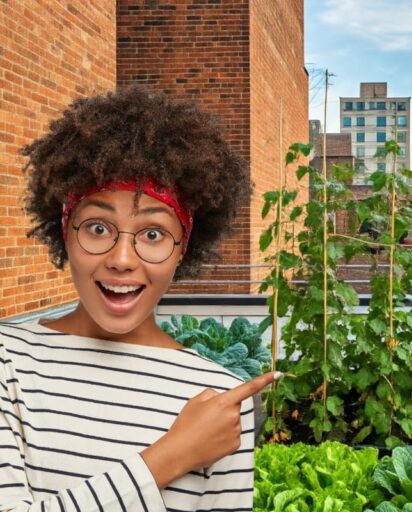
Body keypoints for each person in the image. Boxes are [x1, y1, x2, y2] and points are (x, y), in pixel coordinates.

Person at [0, 86, 280, 511]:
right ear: (64, 230)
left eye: (153, 234)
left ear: (182, 246)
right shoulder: (8, 361)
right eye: (97, 227)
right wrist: (170, 457)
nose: (122, 259)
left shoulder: (218, 400)